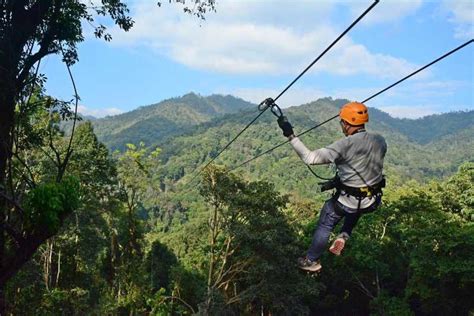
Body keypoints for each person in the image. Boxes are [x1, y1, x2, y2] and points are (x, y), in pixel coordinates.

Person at [277, 101, 387, 272]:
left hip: (348, 202)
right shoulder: (380, 141)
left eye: (341, 122)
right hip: (372, 201)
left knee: (327, 219)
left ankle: (311, 260)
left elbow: (310, 158)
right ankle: (344, 234)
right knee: (357, 206)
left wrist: (290, 135)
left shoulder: (344, 145)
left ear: (345, 123)